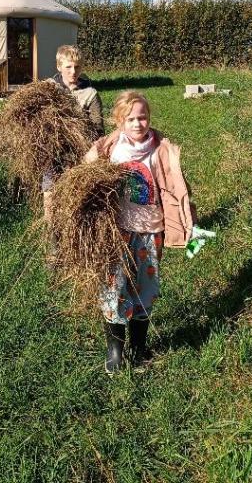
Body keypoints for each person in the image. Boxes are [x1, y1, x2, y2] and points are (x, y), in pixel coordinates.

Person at [84, 90, 197, 374]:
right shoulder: (110, 148)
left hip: (150, 230)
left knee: (146, 287)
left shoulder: (160, 149)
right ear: (119, 121)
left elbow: (178, 189)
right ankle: (115, 349)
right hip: (116, 231)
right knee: (113, 285)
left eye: (142, 117)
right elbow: (85, 174)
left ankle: (138, 348)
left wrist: (186, 222)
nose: (137, 124)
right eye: (130, 119)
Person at [41, 45, 104, 218]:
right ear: (59, 66)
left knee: (74, 195)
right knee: (50, 192)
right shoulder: (49, 88)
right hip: (51, 151)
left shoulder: (90, 94)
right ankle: (51, 231)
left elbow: (98, 128)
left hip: (78, 152)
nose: (73, 71)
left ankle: (72, 227)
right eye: (68, 66)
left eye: (77, 67)